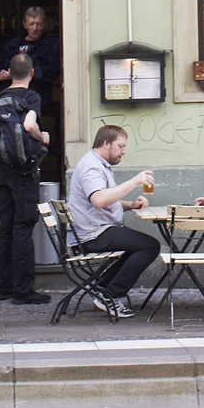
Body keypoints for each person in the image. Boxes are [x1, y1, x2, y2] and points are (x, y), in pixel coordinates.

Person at [67, 124, 159, 319]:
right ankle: (110, 294)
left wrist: (130, 204)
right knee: (149, 246)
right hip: (93, 234)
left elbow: (105, 199)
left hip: (95, 229)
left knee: (138, 246)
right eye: (121, 146)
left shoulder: (98, 164)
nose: (124, 152)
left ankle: (104, 288)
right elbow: (99, 200)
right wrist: (134, 182)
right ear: (106, 143)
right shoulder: (91, 167)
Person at [0, 52, 51, 303]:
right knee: (23, 228)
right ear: (32, 73)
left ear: (10, 72)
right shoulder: (31, 96)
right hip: (24, 171)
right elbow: (28, 125)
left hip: (2, 171)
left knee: (5, 228)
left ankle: (3, 288)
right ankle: (23, 291)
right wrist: (42, 137)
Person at [0, 6, 62, 115]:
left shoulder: (53, 45)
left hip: (41, 98)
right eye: (31, 24)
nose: (35, 28)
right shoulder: (12, 46)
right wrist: (1, 75)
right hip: (13, 99)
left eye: (38, 24)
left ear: (45, 25)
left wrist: (29, 73)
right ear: (24, 24)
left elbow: (55, 70)